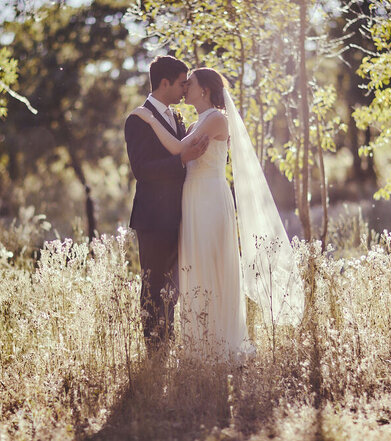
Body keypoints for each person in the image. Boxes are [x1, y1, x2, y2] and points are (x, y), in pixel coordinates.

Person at [130, 67, 304, 360]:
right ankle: (199, 343)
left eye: (190, 83)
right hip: (193, 199)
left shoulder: (215, 118)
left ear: (205, 90)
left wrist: (148, 119)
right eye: (182, 83)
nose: (185, 88)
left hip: (209, 198)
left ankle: (219, 343)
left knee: (213, 264)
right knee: (195, 268)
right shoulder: (197, 119)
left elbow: (177, 148)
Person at [124, 56, 210, 351]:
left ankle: (169, 343)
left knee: (173, 288)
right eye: (181, 83)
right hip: (153, 218)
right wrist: (182, 160)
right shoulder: (137, 118)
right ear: (165, 83)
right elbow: (143, 169)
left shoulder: (177, 117)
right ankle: (154, 353)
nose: (185, 88)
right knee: (153, 286)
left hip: (180, 214)